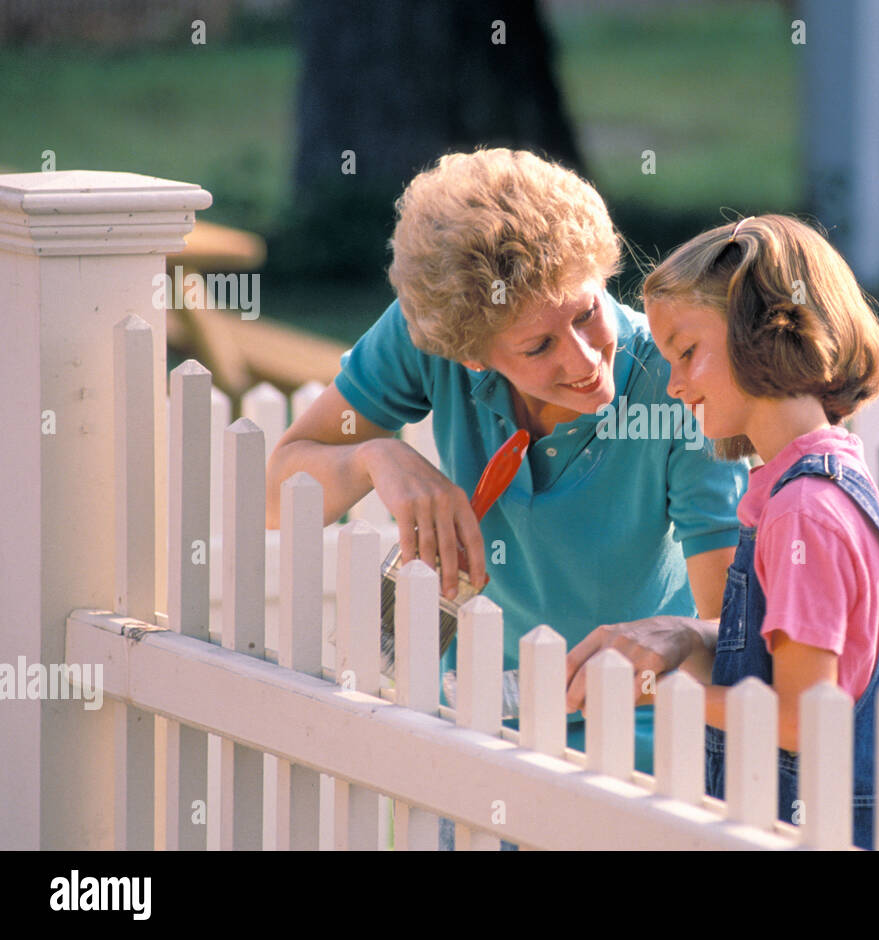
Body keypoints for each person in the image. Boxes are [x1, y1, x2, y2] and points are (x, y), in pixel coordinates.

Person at [266, 148, 748, 846]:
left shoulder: (677, 388)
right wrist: (379, 455)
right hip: (481, 736)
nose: (583, 360)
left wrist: (673, 643)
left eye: (587, 313)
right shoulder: (427, 335)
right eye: (537, 346)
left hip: (645, 753)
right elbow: (280, 492)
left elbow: (724, 628)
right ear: (468, 353)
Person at [632, 214, 879, 850]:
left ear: (762, 332)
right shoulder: (816, 485)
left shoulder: (803, 511)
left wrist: (659, 694)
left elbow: (804, 720)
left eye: (686, 352)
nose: (672, 385)